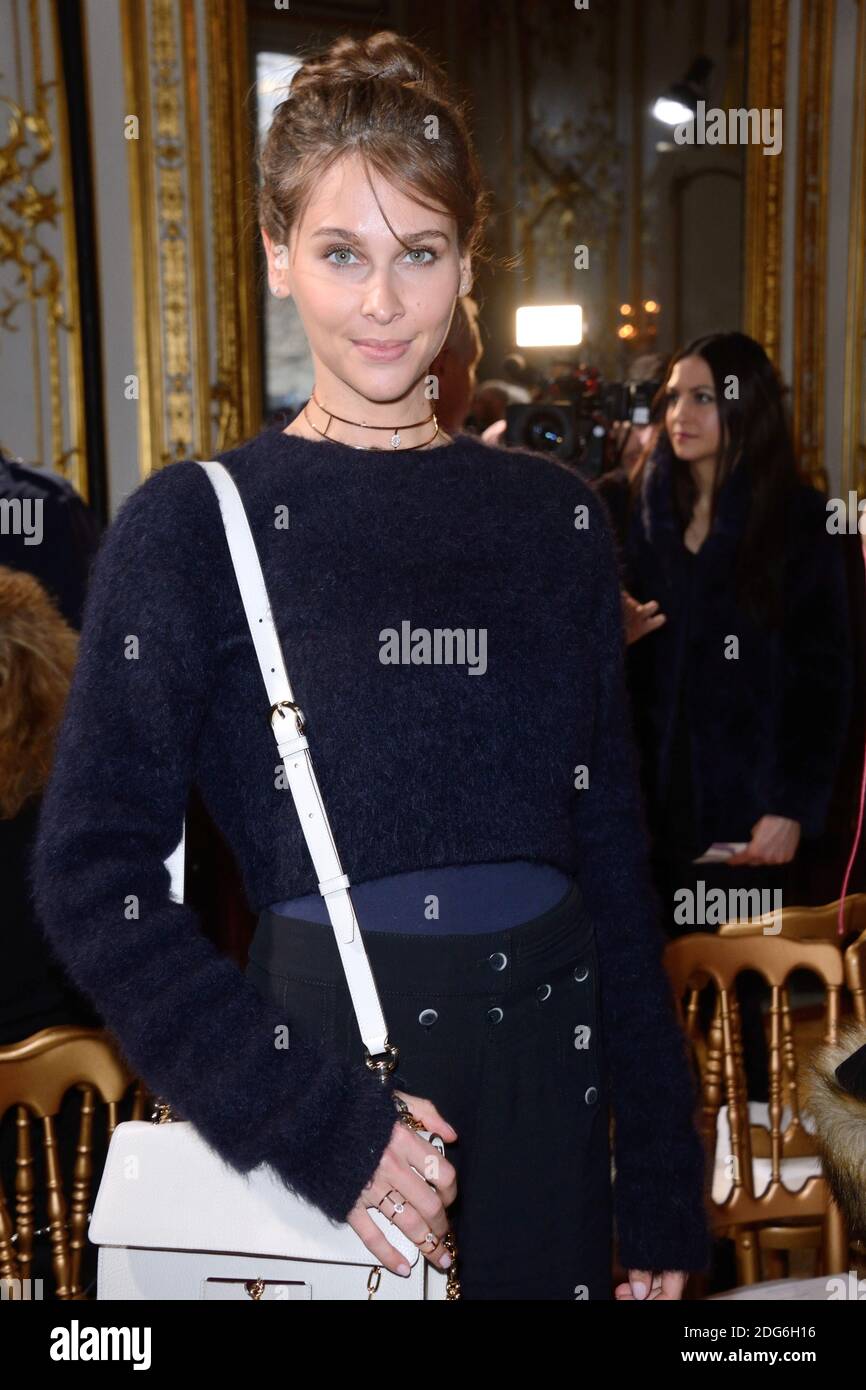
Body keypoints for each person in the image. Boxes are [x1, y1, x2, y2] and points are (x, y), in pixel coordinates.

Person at [30, 30, 710, 1300]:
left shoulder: (556, 520)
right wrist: (314, 1123)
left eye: (420, 254)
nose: (384, 304)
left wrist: (662, 1190)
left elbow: (616, 870)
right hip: (331, 1098)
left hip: (550, 1102)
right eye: (341, 254)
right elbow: (90, 878)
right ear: (278, 256)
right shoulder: (190, 526)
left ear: (468, 263)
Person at [602, 332, 853, 1096]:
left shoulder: (804, 524)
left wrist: (791, 806)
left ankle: (743, 1195)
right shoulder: (625, 511)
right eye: (673, 396)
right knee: (650, 1009)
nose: (680, 412)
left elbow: (830, 679)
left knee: (743, 1011)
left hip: (747, 821)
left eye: (703, 397)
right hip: (644, 807)